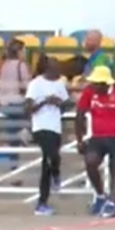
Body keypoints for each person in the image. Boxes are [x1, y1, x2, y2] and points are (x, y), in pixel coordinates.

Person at [75, 66, 115, 218]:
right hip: (97, 137)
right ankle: (100, 196)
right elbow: (79, 115)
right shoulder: (89, 92)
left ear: (106, 83)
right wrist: (79, 140)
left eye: (97, 83)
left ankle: (111, 203)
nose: (94, 86)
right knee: (90, 162)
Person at [25, 56, 71, 216]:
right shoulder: (36, 84)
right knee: (50, 157)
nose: (58, 69)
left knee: (50, 160)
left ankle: (43, 200)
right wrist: (45, 101)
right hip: (40, 126)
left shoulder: (60, 84)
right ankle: (44, 197)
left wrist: (59, 103)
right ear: (47, 68)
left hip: (55, 127)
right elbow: (28, 108)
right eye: (55, 66)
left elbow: (66, 105)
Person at [0, 38, 31, 164]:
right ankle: (25, 133)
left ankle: (13, 164)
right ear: (19, 52)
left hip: (4, 104)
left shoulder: (4, 65)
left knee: (12, 135)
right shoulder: (22, 65)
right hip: (17, 103)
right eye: (24, 50)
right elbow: (27, 85)